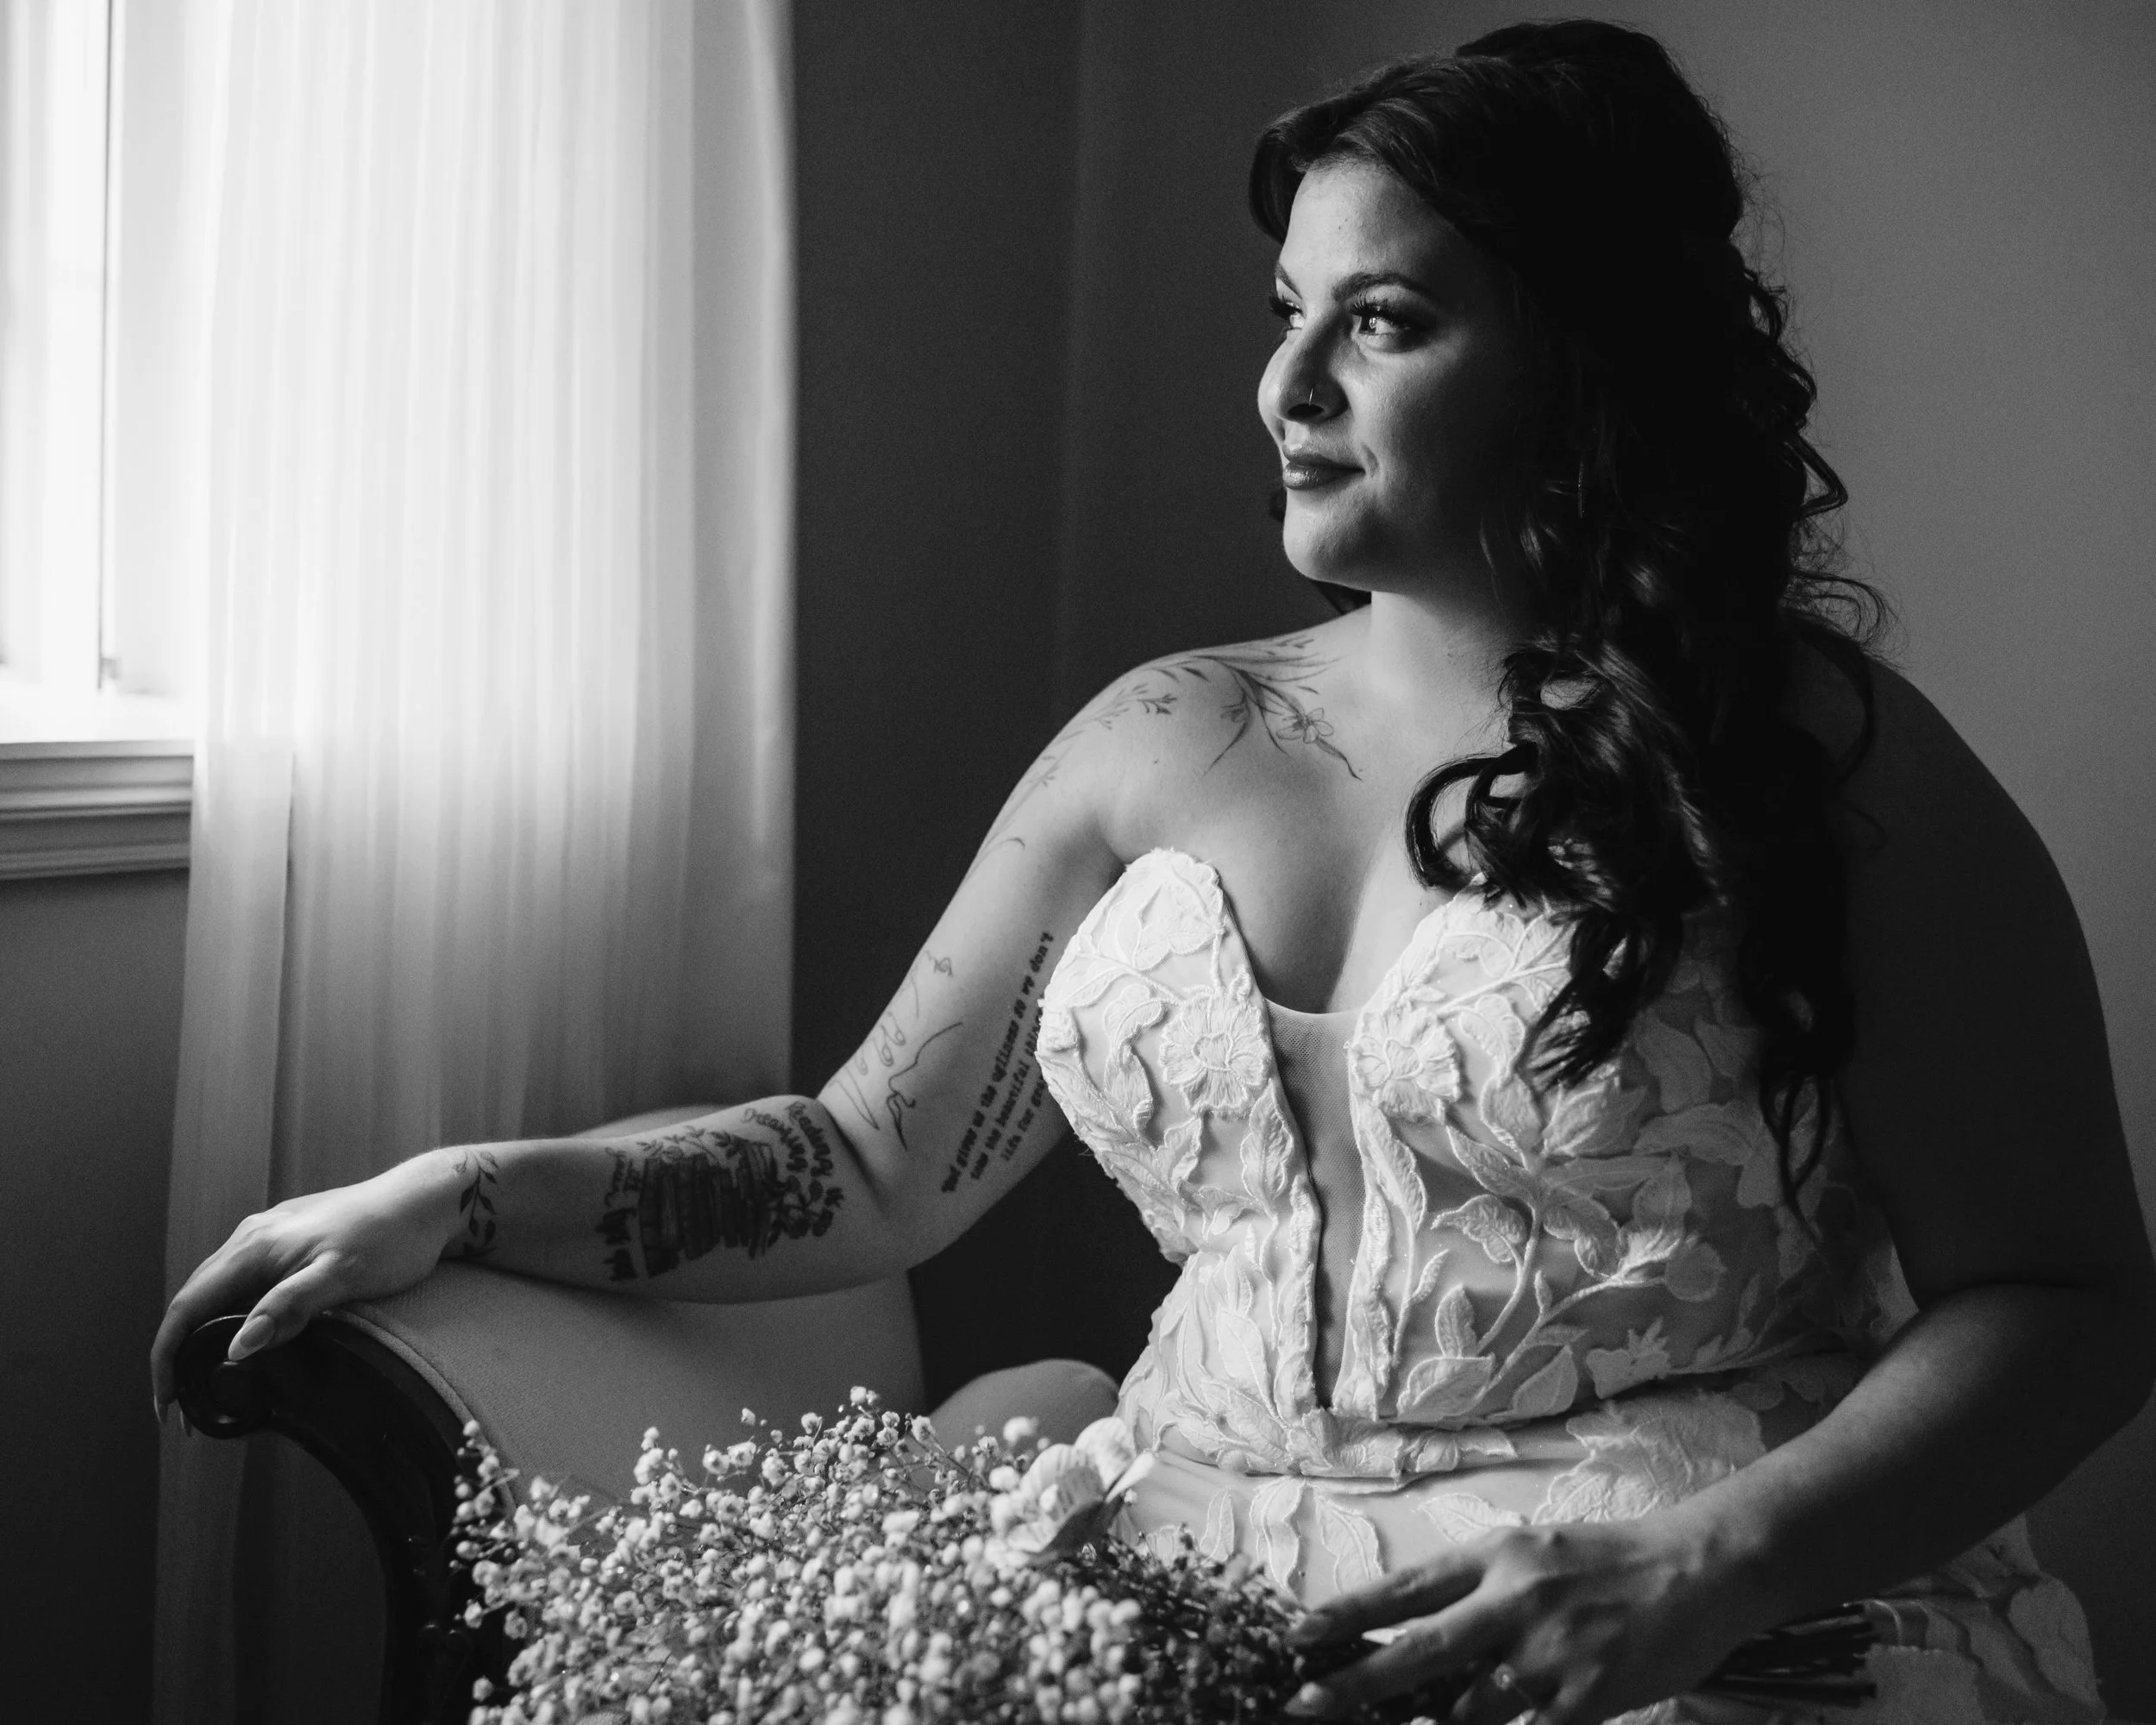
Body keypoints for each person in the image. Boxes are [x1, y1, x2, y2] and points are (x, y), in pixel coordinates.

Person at [153, 20, 2151, 1723]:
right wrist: (458, 1191)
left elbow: (2066, 1298)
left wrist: (1701, 1568)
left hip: (1673, 1615)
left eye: (1381, 322)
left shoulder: (1816, 763)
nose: (1286, 391)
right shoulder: (1161, 735)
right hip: (1189, 1586)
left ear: (1586, 359)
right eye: (1289, 316)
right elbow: (861, 1162)